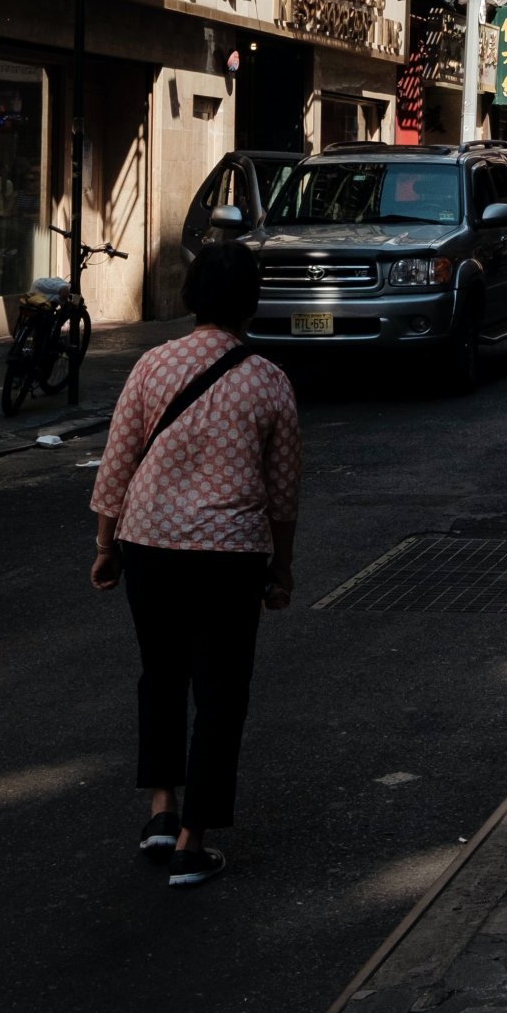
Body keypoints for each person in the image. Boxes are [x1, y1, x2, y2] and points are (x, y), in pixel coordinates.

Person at [90, 240, 300, 890]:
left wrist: (105, 546)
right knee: (220, 693)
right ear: (252, 302)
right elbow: (283, 493)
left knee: (160, 675)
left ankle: (160, 810)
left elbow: (117, 463)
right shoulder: (269, 381)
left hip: (149, 542)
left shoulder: (153, 365)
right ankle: (192, 842)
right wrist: (281, 570)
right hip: (230, 555)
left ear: (191, 298)